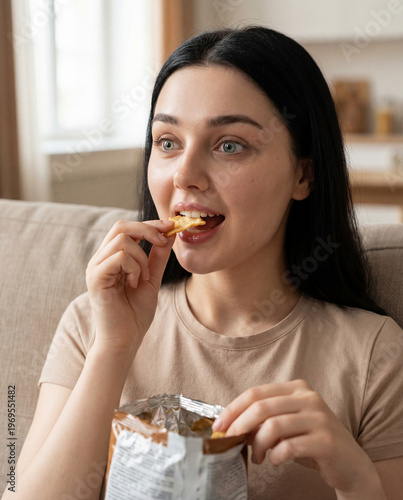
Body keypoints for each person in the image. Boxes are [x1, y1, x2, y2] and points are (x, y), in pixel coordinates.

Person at [3, 26, 403, 500]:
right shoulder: (92, 323)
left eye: (229, 145)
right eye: (168, 142)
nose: (184, 175)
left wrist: (356, 480)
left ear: (303, 173)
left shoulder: (375, 355)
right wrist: (113, 347)